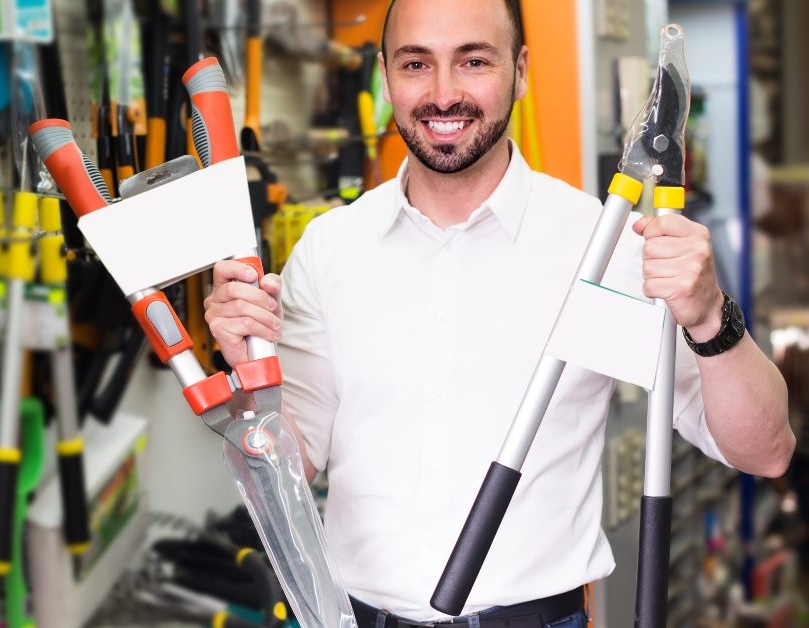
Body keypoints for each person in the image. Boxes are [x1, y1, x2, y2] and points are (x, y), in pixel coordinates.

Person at [203, 0, 794, 625]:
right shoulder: (331, 251)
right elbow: (291, 471)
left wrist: (710, 319)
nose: (443, 93)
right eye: (415, 64)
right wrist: (250, 378)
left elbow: (764, 451)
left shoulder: (602, 252)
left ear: (521, 70)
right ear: (384, 75)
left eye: (474, 61)